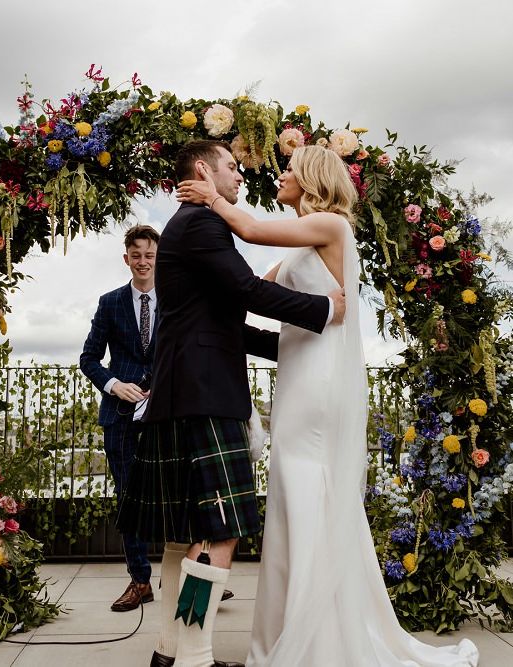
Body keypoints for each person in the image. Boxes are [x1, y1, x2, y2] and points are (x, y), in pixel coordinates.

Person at [176, 144, 479, 667]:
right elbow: (249, 292)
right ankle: (292, 629)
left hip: (316, 387)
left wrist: (213, 199)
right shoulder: (298, 247)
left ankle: (314, 640)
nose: (280, 174)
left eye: (289, 169)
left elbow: (248, 230)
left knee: (306, 487)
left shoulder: (331, 227)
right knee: (296, 497)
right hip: (296, 378)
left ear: (312, 178)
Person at [117, 140, 346, 667]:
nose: (240, 176)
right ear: (203, 170)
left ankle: (170, 651)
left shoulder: (187, 227)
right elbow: (247, 291)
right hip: (204, 394)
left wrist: (291, 347)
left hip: (184, 391)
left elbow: (224, 323)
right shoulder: (202, 225)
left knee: (184, 538)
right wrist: (323, 310)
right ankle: (195, 658)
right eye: (233, 167)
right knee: (221, 531)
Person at [80, 224, 160, 612]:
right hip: (120, 415)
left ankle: (192, 572)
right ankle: (140, 580)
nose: (143, 261)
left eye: (150, 254)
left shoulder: (176, 301)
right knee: (129, 498)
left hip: (167, 413)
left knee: (180, 494)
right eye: (136, 254)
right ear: (126, 258)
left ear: (157, 257)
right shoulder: (109, 302)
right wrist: (114, 385)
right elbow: (88, 358)